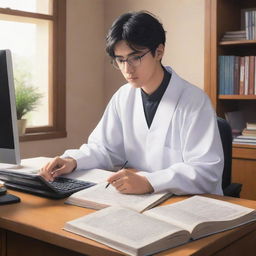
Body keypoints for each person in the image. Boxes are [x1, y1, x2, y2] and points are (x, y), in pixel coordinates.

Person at [40, 11, 224, 195]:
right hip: (138, 200)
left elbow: (205, 171)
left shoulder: (194, 101)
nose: (127, 69)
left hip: (187, 203)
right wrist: (73, 160)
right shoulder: (123, 97)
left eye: (135, 57)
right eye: (120, 60)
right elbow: (104, 148)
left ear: (159, 52)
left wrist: (149, 181)